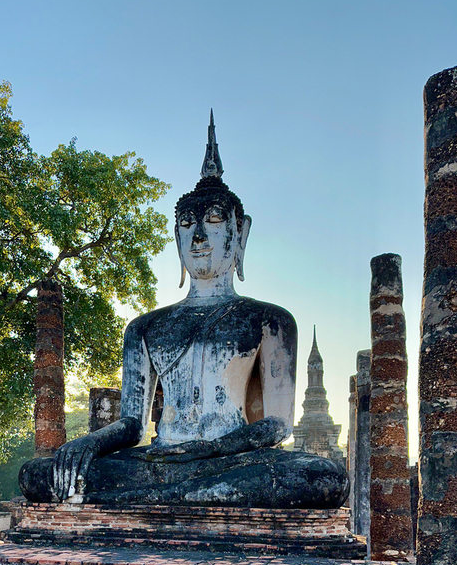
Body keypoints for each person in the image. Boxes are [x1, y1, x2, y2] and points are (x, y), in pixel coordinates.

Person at [20, 114, 348, 509]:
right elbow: (133, 426)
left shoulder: (269, 320)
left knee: (320, 477)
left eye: (213, 220)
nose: (198, 237)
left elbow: (277, 425)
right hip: (161, 460)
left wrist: (209, 450)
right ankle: (176, 496)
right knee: (38, 475)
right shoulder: (145, 327)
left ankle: (152, 500)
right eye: (187, 224)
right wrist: (88, 442)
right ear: (176, 238)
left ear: (239, 233)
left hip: (230, 458)